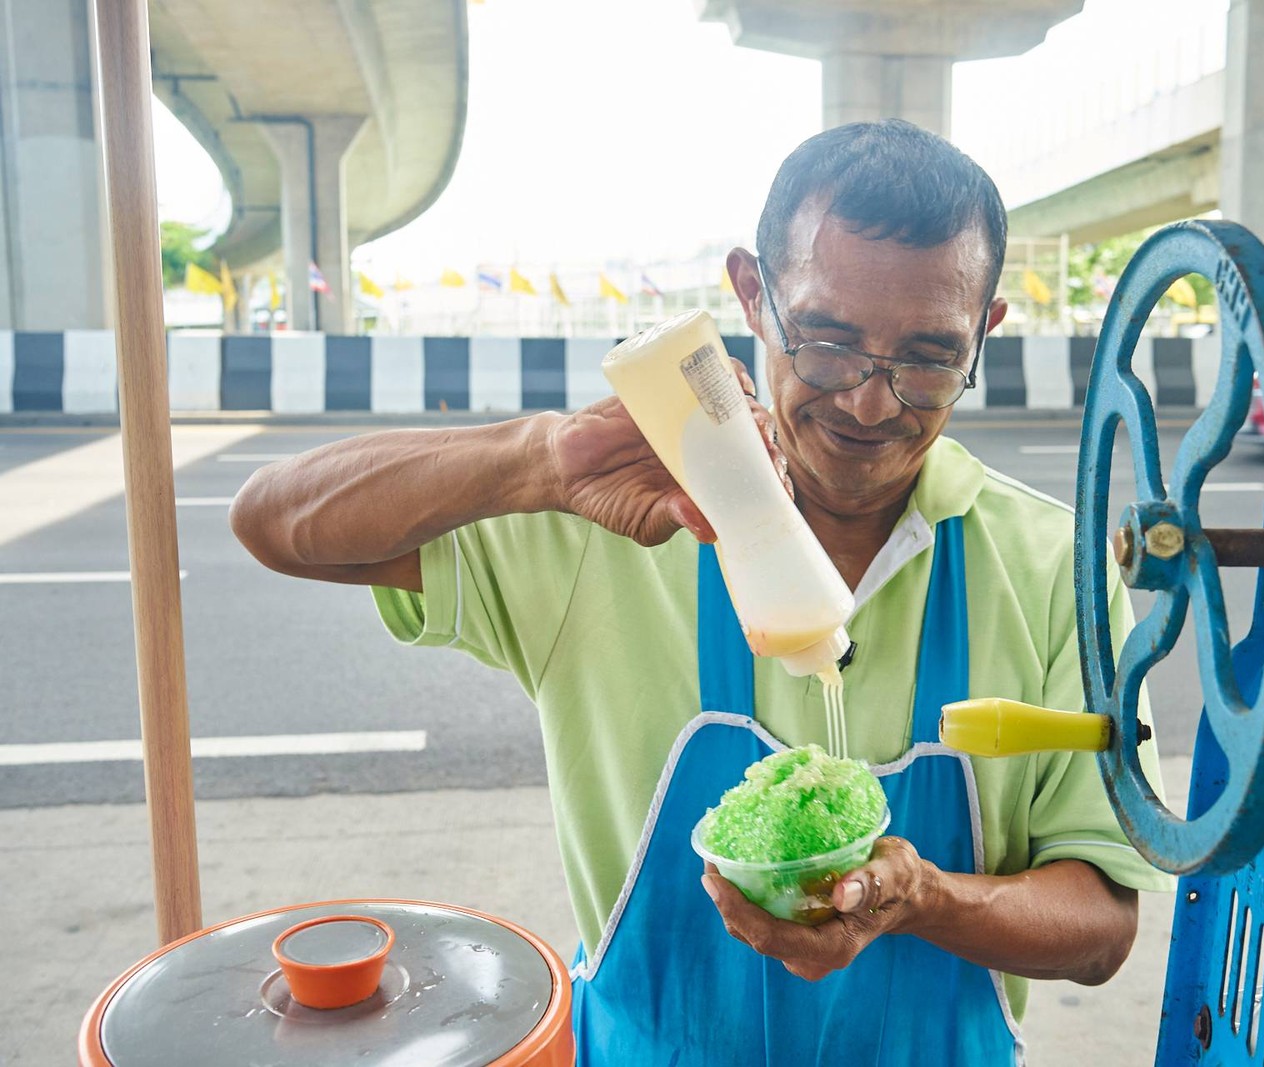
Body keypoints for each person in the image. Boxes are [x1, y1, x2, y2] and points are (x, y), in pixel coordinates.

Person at [231, 118, 1172, 1065]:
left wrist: (925, 898)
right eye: (827, 342)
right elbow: (275, 522)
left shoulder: (1053, 563)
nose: (870, 402)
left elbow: (1101, 926)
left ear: (986, 333)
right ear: (753, 297)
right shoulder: (610, 524)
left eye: (928, 358)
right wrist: (540, 461)